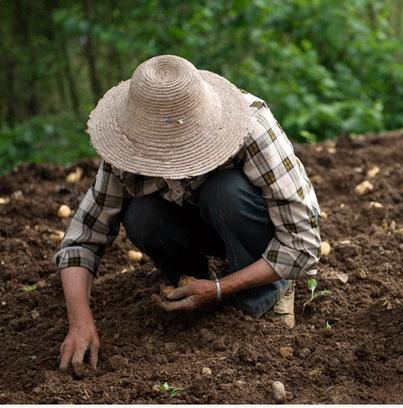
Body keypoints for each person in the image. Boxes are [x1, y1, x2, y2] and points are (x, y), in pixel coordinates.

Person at [53, 55, 322, 377]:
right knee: (141, 213)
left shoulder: (251, 127)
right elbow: (82, 240)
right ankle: (189, 285)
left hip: (253, 228)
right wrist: (80, 322)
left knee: (227, 192)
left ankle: (264, 295)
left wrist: (222, 287)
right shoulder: (127, 144)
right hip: (195, 228)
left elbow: (302, 243)